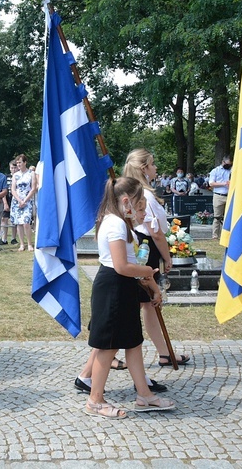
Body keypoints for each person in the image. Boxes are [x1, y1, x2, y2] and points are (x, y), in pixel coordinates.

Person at [84, 177, 175, 418]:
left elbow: (134, 264)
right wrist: (147, 272)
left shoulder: (123, 224)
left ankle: (144, 395)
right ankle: (95, 400)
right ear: (126, 202)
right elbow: (122, 266)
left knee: (133, 342)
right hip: (112, 287)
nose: (142, 210)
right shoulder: (114, 224)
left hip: (124, 287)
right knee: (108, 346)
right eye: (140, 205)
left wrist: (152, 286)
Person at [123, 149, 190, 367]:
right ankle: (107, 352)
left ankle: (163, 352)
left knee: (148, 304)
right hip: (146, 250)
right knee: (144, 303)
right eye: (152, 164)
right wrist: (167, 257)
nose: (156, 168)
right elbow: (156, 233)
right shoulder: (145, 195)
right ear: (144, 169)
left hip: (142, 248)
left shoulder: (138, 192)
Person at [10, 154, 37, 252]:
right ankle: (22, 244)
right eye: (17, 163)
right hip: (17, 201)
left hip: (27, 200)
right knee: (19, 223)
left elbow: (33, 188)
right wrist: (19, 200)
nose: (18, 164)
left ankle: (29, 243)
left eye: (20, 162)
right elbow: (13, 189)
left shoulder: (31, 173)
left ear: (25, 162)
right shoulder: (15, 175)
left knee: (26, 222)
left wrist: (25, 200)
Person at [209, 155, 232, 240]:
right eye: (227, 164)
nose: (229, 166)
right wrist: (224, 184)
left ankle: (227, 235)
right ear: (223, 162)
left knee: (228, 216)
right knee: (217, 217)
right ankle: (215, 235)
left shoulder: (232, 170)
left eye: (230, 164)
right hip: (218, 195)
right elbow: (211, 183)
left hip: (229, 195)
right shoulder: (215, 171)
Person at [0, 160, 18, 245]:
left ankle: (13, 238)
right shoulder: (5, 177)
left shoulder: (20, 177)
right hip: (7, 198)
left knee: (14, 220)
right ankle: (4, 239)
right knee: (4, 219)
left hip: (16, 199)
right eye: (12, 168)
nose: (13, 169)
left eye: (15, 167)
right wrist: (5, 203)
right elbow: (3, 191)